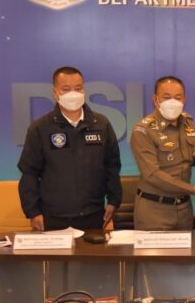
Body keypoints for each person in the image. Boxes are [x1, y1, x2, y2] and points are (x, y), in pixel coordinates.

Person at [18, 66, 122, 231]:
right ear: (55, 93)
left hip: (94, 215)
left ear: (84, 90)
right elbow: (29, 173)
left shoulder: (101, 124)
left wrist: (114, 201)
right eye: (66, 89)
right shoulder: (40, 128)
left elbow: (112, 166)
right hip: (53, 218)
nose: (73, 94)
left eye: (78, 88)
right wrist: (33, 212)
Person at [130, 76, 195, 230]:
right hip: (155, 211)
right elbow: (152, 175)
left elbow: (185, 159)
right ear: (155, 100)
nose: (173, 102)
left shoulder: (188, 123)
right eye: (166, 97)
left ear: (185, 99)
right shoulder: (143, 131)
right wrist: (192, 189)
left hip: (184, 211)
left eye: (178, 97)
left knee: (187, 247)